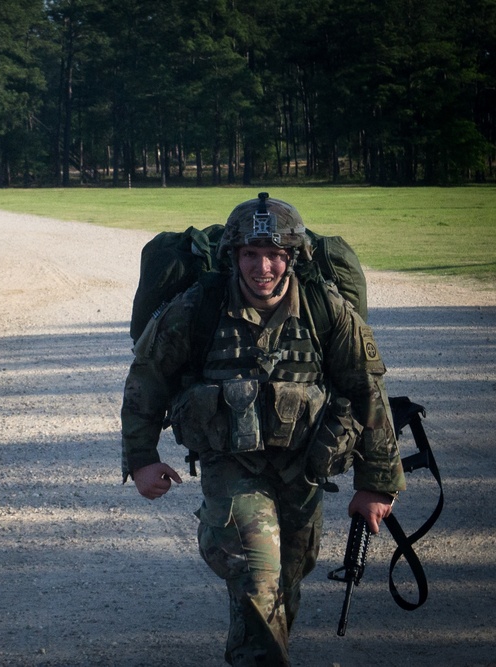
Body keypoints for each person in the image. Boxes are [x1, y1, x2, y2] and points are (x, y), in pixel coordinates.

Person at [120, 193, 406, 666]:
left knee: (284, 581)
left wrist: (377, 481)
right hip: (231, 465)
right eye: (250, 254)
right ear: (233, 255)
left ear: (291, 257)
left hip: (305, 466)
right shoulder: (199, 307)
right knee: (256, 573)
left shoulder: (324, 309)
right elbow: (147, 378)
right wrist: (141, 458)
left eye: (274, 254)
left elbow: (367, 389)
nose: (263, 267)